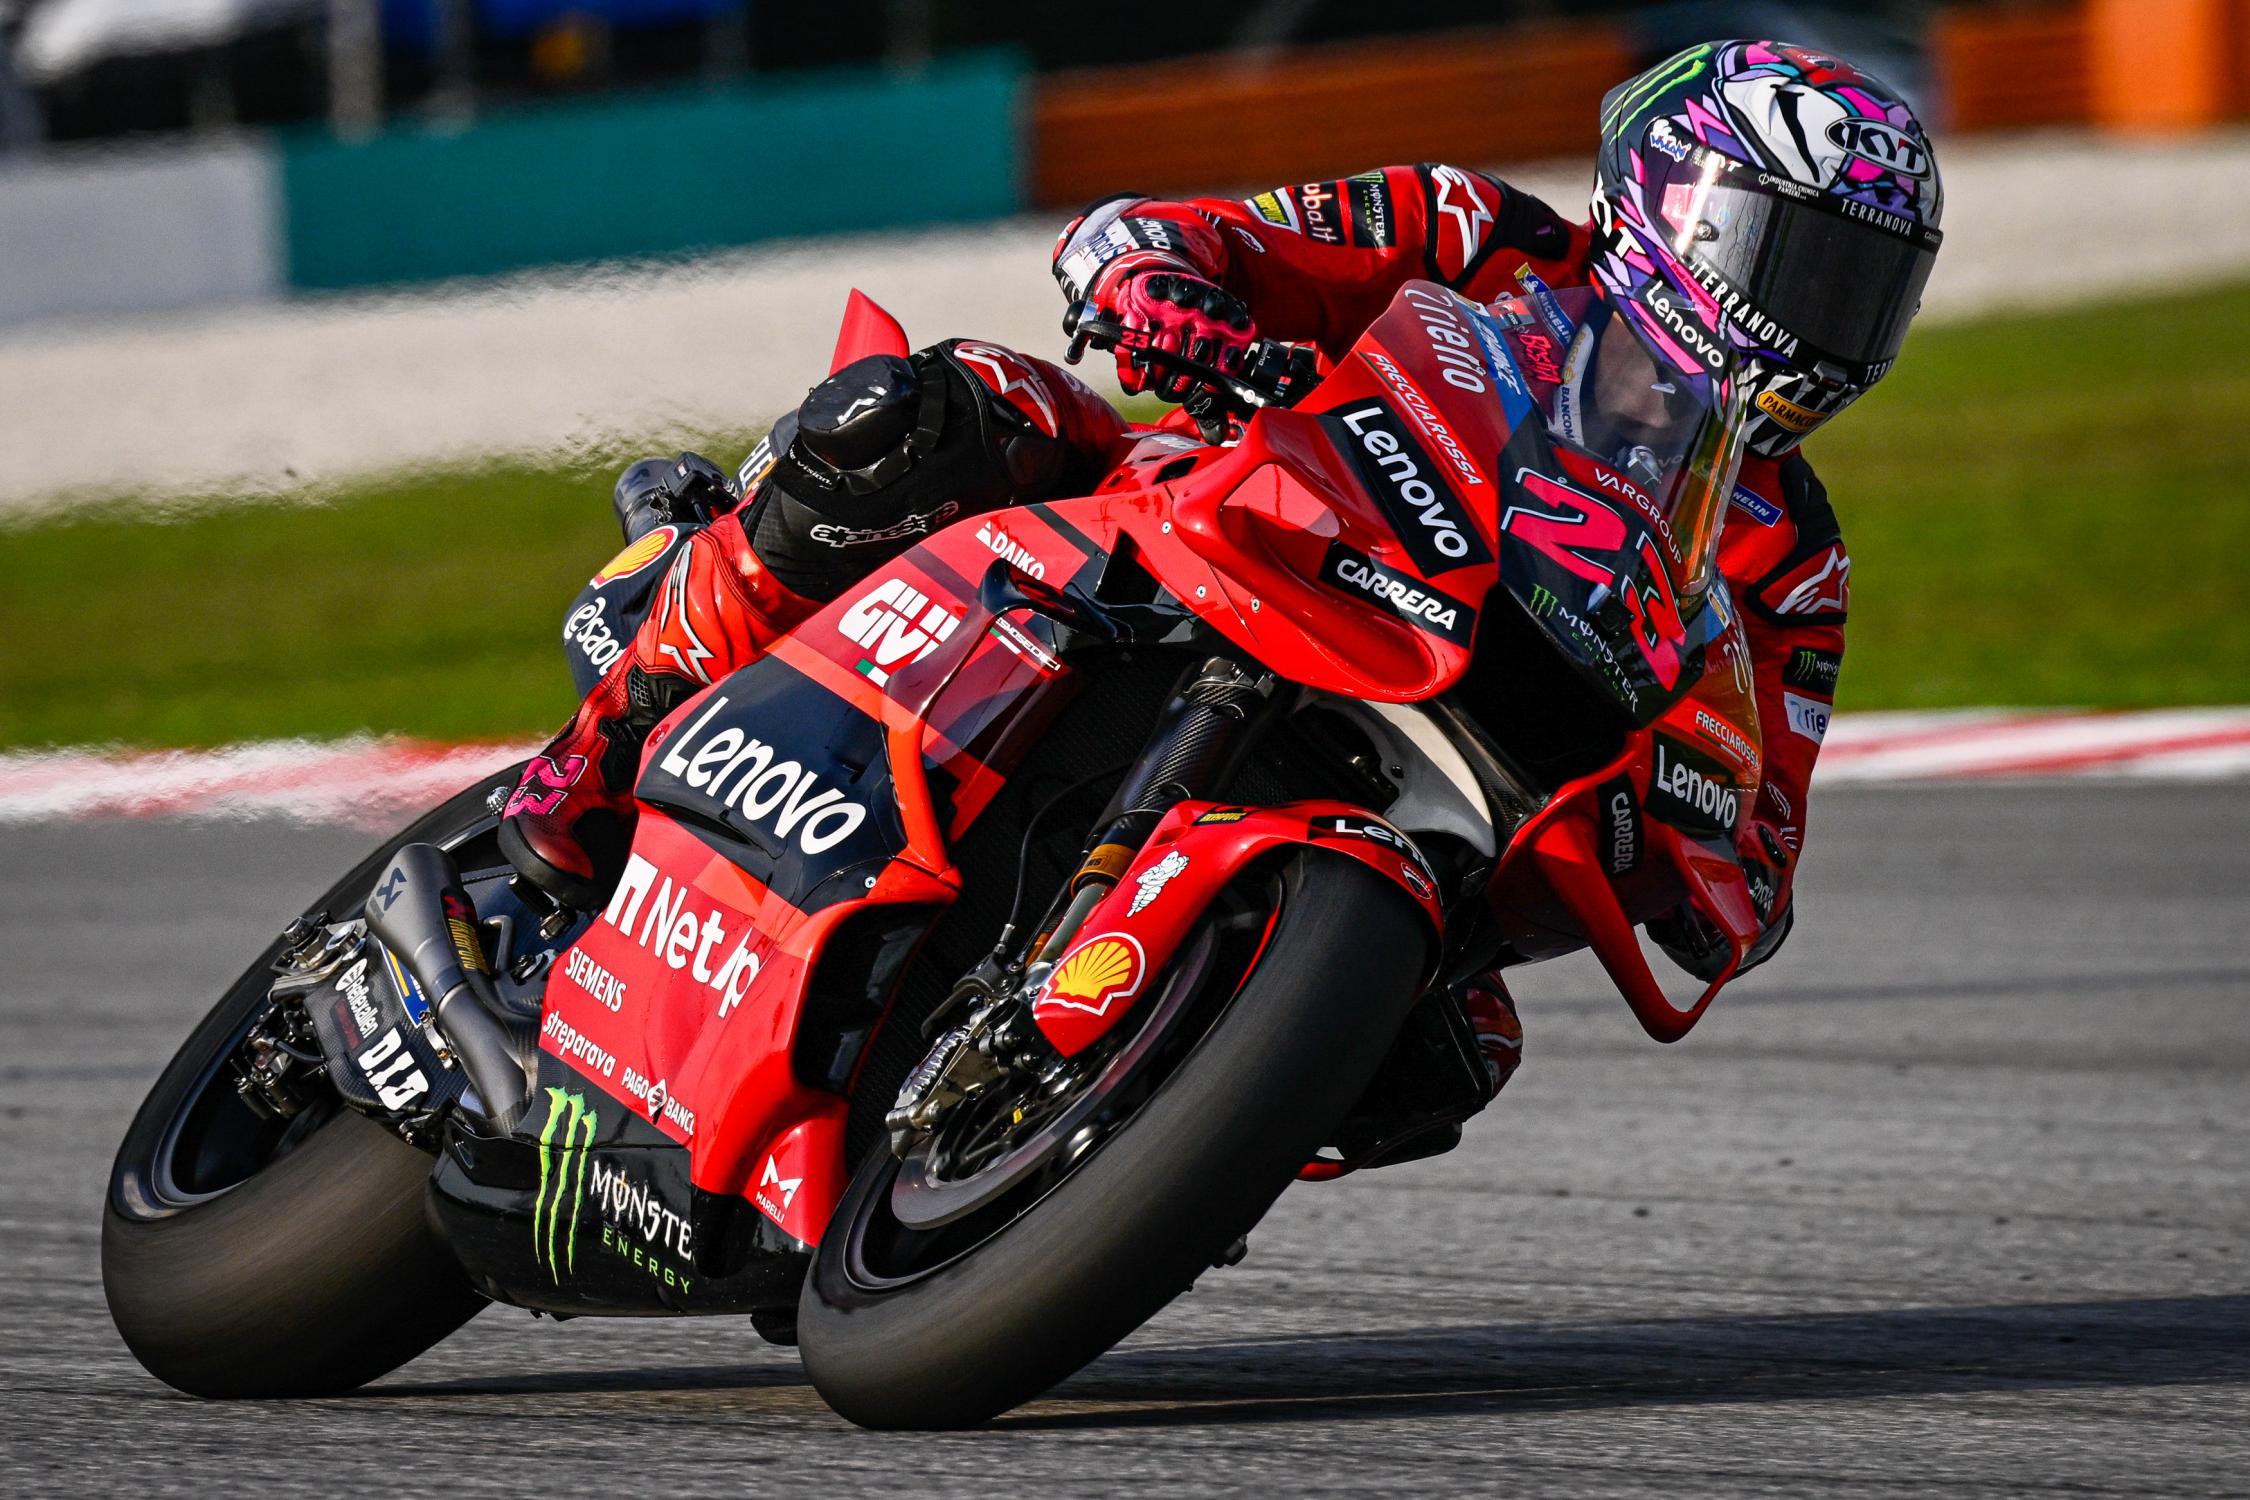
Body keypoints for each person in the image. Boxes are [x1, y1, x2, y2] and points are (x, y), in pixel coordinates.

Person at [501, 38, 1943, 1102]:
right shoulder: (1478, 238)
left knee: (1445, 1057)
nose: (1821, 319)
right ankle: (593, 759)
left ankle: (1056, 1154)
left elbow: (1759, 833)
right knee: (941, 415)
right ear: (1672, 201)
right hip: (1204, 537)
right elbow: (1179, 234)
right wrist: (1167, 302)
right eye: (1794, 260)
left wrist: (1692, 848)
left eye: (1860, 287)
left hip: (1429, 738)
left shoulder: (1788, 553)